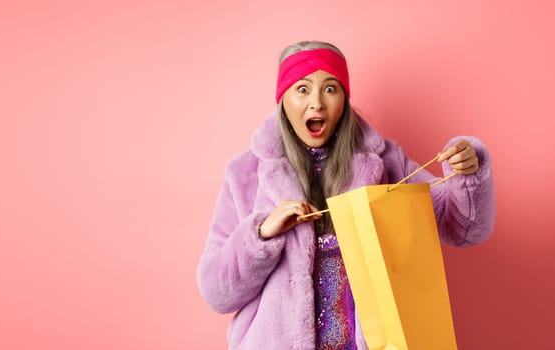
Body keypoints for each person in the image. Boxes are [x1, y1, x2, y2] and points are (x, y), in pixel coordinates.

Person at [196, 41, 495, 350]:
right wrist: (261, 234)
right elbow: (216, 293)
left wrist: (467, 173)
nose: (317, 103)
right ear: (283, 99)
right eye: (302, 89)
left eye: (330, 88)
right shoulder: (245, 174)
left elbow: (462, 228)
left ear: (344, 98)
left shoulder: (386, 161)